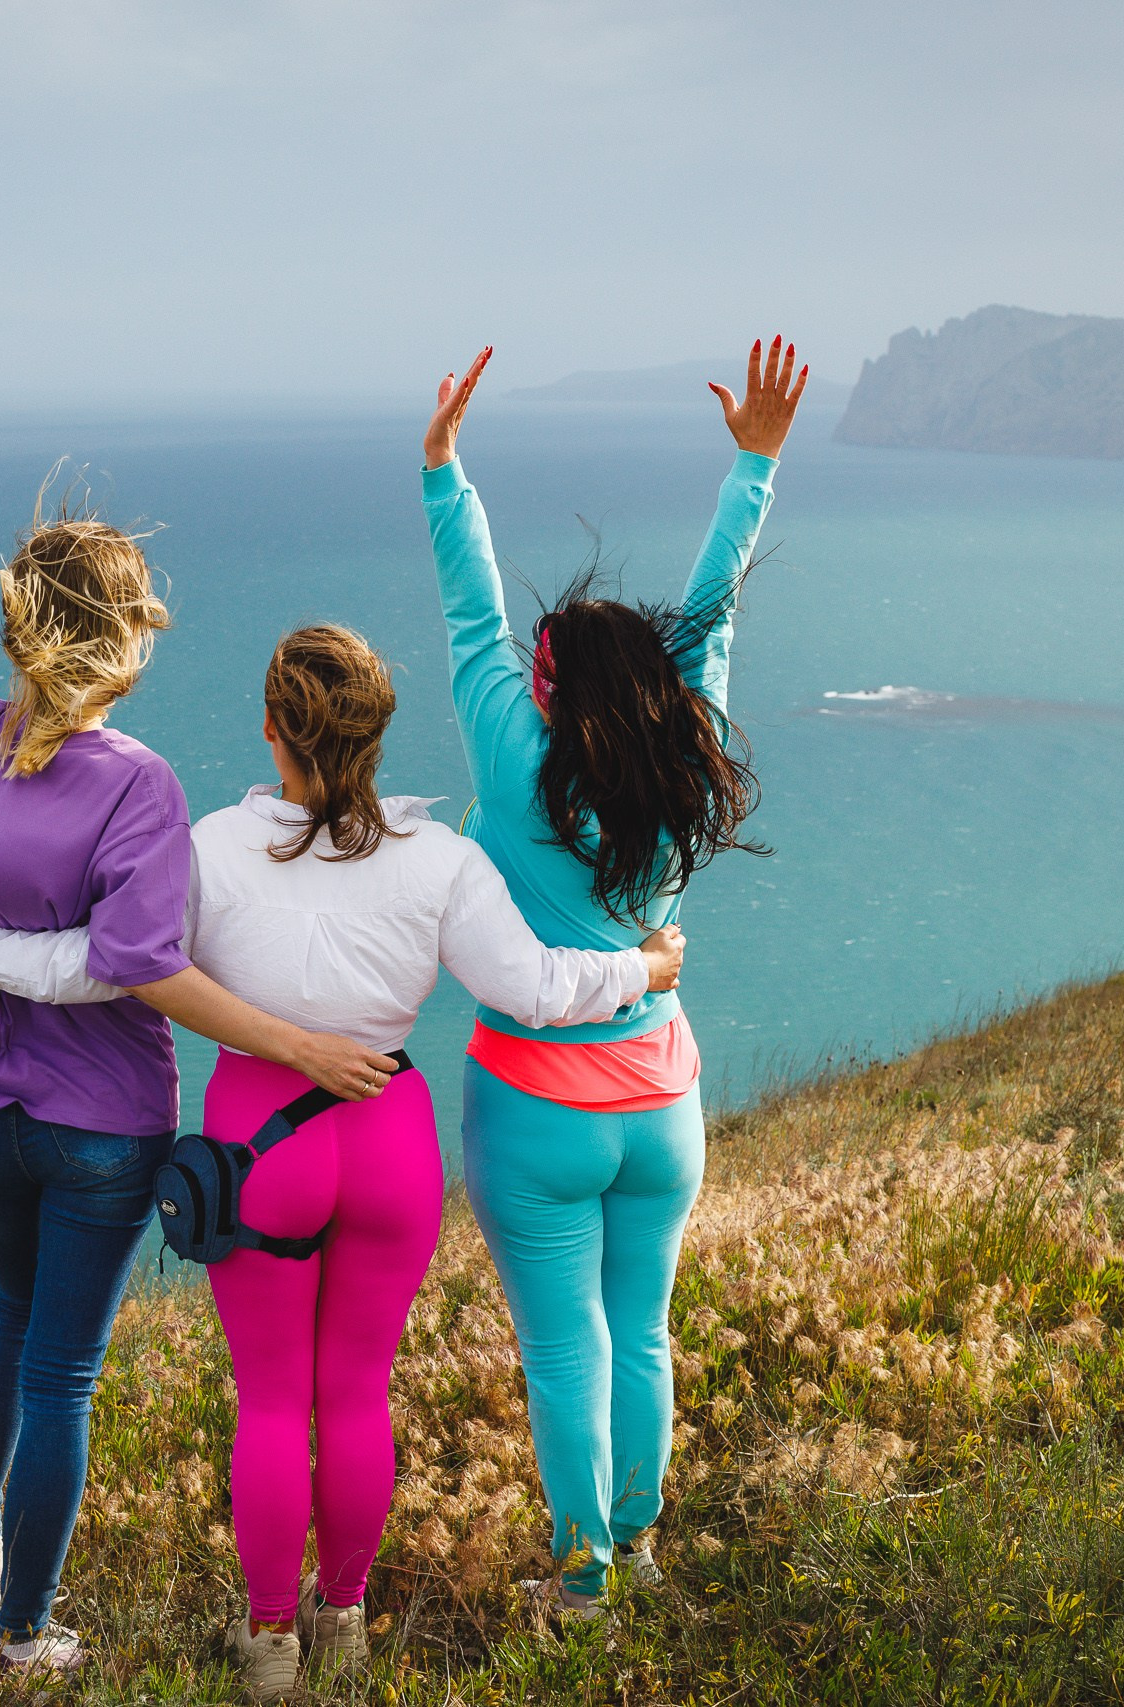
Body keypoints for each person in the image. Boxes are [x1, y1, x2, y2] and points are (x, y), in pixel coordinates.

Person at [0, 323, 403, 1675]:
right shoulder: (140, 785)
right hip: (102, 1122)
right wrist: (297, 1041)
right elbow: (146, 967)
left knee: (8, 1305)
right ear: (125, 647)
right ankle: (20, 1634)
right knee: (62, 1365)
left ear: (16, 629)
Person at [0, 623, 685, 1701]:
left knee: (273, 1401)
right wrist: (639, 966)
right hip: (386, 1134)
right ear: (377, 734)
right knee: (358, 1394)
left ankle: (271, 1643)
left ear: (274, 729)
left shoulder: (208, 851)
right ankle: (348, 1621)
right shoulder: (442, 861)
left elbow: (103, 969)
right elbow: (532, 989)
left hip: (256, 1146)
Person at [418, 337, 805, 1617]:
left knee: (563, 1350)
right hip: (665, 1103)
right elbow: (713, 622)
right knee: (640, 1331)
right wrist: (752, 467)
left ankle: (581, 1583)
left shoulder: (513, 764)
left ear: (547, 691)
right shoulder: (680, 764)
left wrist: (443, 471)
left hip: (536, 1108)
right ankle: (633, 1549)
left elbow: (472, 616)